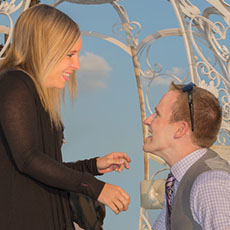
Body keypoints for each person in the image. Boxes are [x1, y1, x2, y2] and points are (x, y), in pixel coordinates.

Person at [0, 4, 131, 230]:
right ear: (44, 49)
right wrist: (96, 188)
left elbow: (45, 167)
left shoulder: (30, 91)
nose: (77, 65)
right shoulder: (15, 84)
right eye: (70, 54)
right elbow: (28, 159)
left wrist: (92, 166)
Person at [143, 81, 230, 230]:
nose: (147, 121)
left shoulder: (210, 182)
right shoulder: (178, 180)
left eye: (157, 114)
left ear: (180, 129)